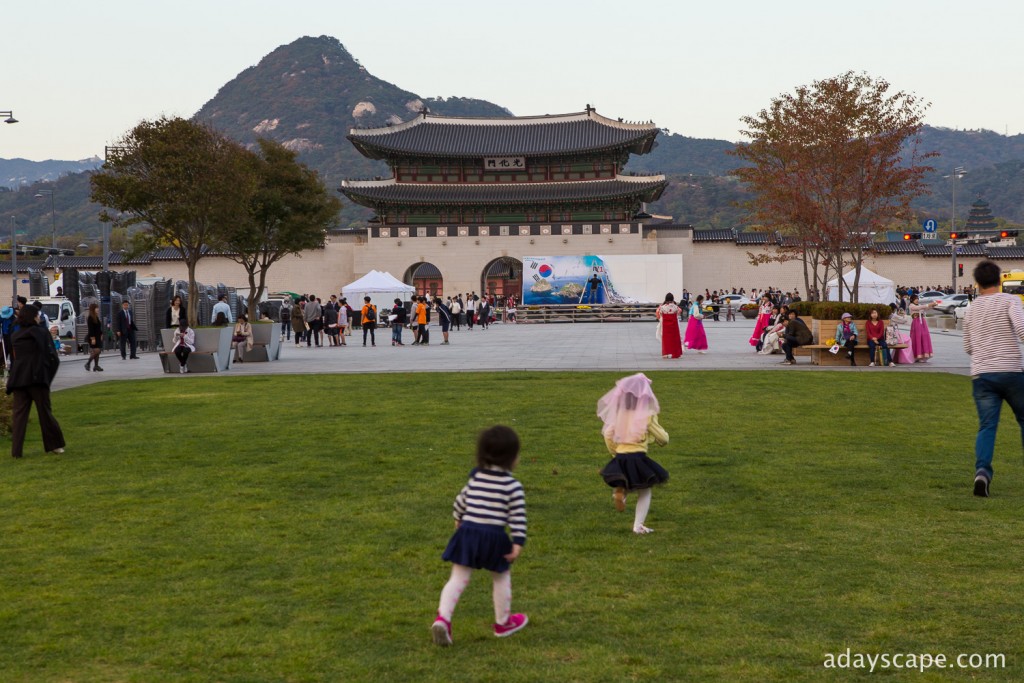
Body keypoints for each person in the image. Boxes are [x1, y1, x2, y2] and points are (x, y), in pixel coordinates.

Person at [431, 425, 528, 646]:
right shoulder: (512, 486)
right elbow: (518, 517)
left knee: (457, 579)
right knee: (501, 577)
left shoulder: (475, 479)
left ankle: (443, 619)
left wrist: (458, 518)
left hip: (468, 533)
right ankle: (503, 623)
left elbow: (460, 501)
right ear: (512, 458)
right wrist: (518, 543)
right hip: (494, 538)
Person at [963, 260, 1024, 497]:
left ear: (977, 284)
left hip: (982, 373)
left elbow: (968, 345)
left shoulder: (971, 308)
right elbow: (1021, 330)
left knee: (987, 426)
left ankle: (982, 472)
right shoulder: (1009, 301)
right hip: (1010, 370)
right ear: (999, 280)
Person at [597, 373, 669, 534]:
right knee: (645, 489)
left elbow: (608, 434)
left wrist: (615, 453)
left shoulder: (618, 414)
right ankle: (638, 526)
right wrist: (662, 440)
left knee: (631, 481)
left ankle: (621, 494)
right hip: (637, 456)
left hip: (621, 455)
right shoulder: (647, 415)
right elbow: (662, 438)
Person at [7, 304, 65, 458]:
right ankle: (55, 445)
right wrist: (48, 377)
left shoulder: (15, 335)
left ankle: (16, 451)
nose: (39, 317)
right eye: (37, 315)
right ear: (33, 317)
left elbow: (15, 360)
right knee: (45, 413)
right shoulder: (41, 332)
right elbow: (52, 356)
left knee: (19, 416)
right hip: (37, 378)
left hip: (19, 379)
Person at [909, 294, 938, 362]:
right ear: (912, 300)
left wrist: (933, 305)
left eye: (917, 298)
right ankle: (917, 355)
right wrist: (929, 304)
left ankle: (924, 355)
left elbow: (924, 308)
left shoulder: (918, 306)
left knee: (924, 337)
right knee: (917, 338)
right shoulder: (911, 306)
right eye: (915, 298)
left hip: (922, 322)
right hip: (916, 323)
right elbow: (920, 308)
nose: (917, 300)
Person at [656, 293, 683, 359]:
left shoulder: (662, 307)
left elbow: (659, 313)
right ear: (672, 299)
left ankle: (666, 353)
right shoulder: (675, 307)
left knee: (666, 339)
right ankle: (675, 353)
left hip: (666, 325)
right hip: (674, 325)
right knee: (674, 339)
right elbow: (679, 311)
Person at [85, 302, 105, 372]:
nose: (98, 309)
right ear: (93, 309)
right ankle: (88, 363)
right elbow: (91, 329)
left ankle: (96, 366)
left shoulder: (96, 317)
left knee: (97, 352)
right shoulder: (90, 317)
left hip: (98, 336)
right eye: (96, 308)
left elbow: (98, 327)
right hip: (93, 337)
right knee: (97, 351)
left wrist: (101, 334)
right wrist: (93, 338)